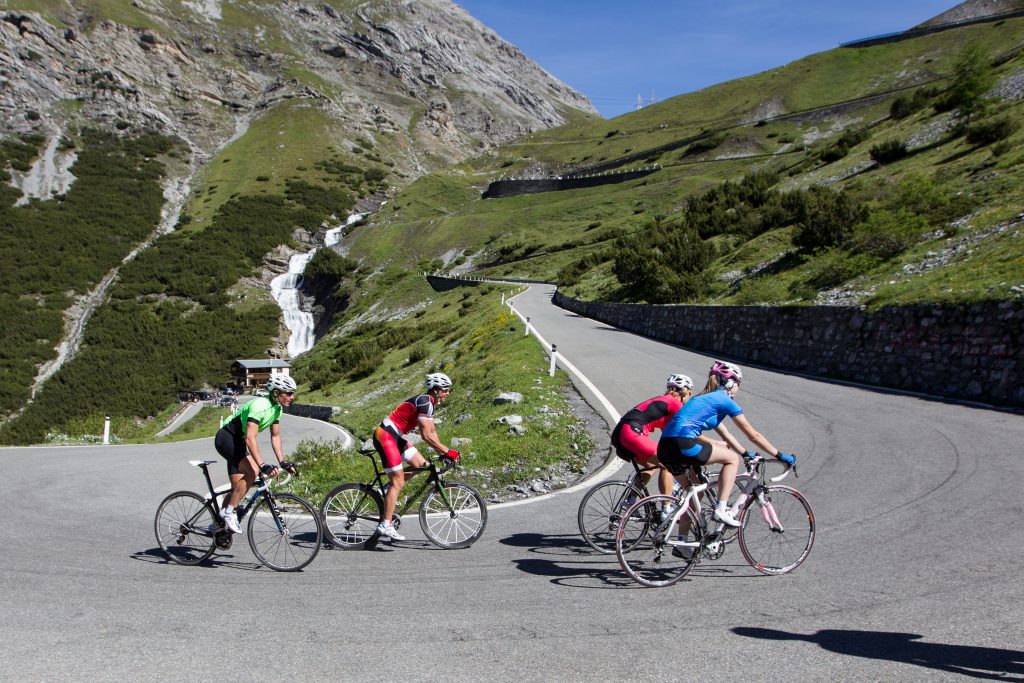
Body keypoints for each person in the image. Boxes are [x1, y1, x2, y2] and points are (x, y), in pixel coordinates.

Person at [658, 360, 796, 531]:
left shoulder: (703, 399)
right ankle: (721, 509)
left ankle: (682, 542)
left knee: (694, 493)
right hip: (683, 444)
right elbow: (753, 435)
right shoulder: (724, 400)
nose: (738, 388)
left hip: (664, 447)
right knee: (731, 459)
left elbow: (726, 434)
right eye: (738, 383)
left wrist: (746, 453)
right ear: (730, 382)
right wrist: (781, 456)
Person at [372, 372, 460, 541]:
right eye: (445, 389)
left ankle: (386, 489)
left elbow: (433, 433)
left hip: (394, 436)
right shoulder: (425, 402)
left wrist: (444, 452)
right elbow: (426, 436)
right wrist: (448, 452)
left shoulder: (429, 403)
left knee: (422, 464)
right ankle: (386, 524)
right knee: (398, 481)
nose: (447, 393)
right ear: (435, 390)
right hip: (385, 436)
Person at [214, 374, 298, 533]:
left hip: (237, 442)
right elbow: (250, 438)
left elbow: (275, 436)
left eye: (292, 393)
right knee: (253, 471)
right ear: (275, 393)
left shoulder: (277, 409)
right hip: (227, 438)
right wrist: (262, 465)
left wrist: (282, 462)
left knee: (237, 489)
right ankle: (228, 513)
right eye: (288, 393)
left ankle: (218, 527)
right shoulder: (260, 405)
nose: (291, 397)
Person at [611, 373, 693, 498]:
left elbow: (670, 438)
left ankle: (629, 504)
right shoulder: (675, 404)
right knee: (669, 464)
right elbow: (687, 432)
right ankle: (666, 509)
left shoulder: (662, 401)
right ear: (688, 393)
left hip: (620, 433)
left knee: (651, 466)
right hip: (632, 432)